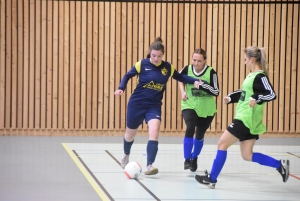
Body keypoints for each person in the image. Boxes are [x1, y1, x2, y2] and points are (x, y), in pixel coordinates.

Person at [194, 46, 290, 189]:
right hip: (249, 120)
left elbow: (271, 94)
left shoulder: (260, 76)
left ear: (252, 59)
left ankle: (212, 178)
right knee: (247, 154)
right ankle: (279, 165)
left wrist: (257, 99)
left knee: (222, 144)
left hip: (245, 119)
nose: (244, 62)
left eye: (245, 60)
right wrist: (231, 97)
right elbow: (244, 93)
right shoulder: (251, 76)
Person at [114, 37, 201, 175]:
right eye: (153, 55)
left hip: (153, 106)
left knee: (154, 133)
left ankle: (149, 165)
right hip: (136, 104)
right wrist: (121, 88)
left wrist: (195, 81)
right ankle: (126, 154)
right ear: (150, 53)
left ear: (163, 55)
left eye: (159, 56)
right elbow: (127, 76)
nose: (156, 59)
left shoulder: (167, 67)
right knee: (129, 136)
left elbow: (181, 77)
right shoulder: (141, 64)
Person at [178, 48, 219, 172]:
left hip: (206, 109)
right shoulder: (187, 69)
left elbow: (216, 91)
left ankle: (194, 157)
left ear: (205, 61)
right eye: (194, 60)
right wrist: (183, 92)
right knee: (190, 126)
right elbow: (180, 78)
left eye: (199, 61)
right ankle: (186, 159)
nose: (196, 63)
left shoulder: (211, 72)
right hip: (190, 104)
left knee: (200, 134)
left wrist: (203, 85)